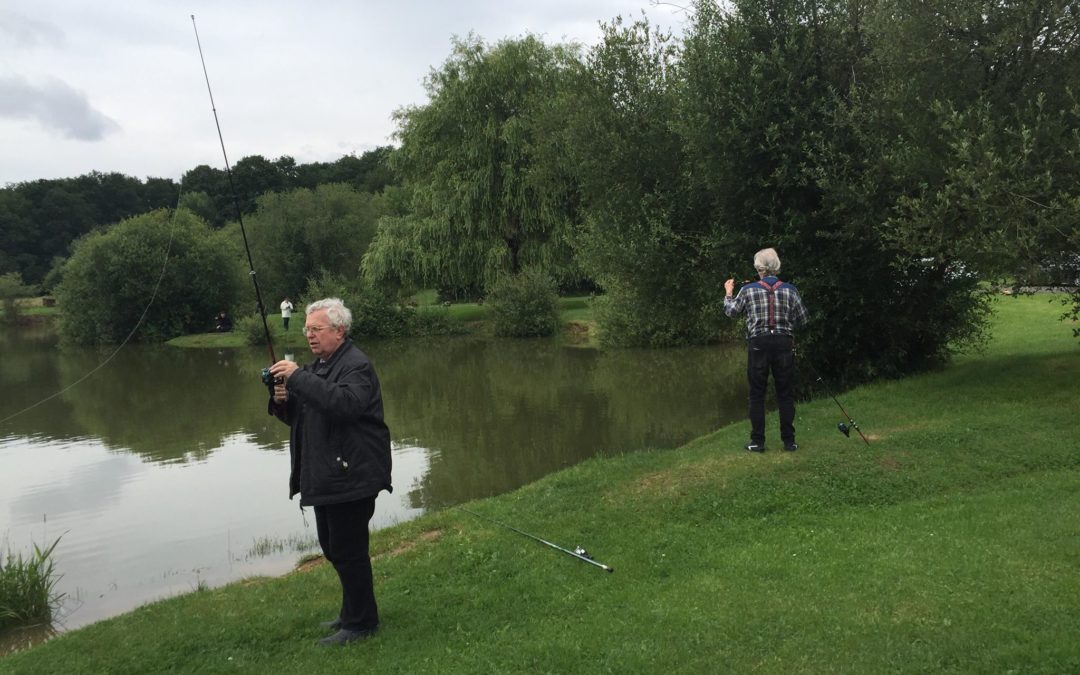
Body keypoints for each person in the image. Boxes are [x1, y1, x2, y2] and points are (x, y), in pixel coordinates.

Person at [267, 297, 393, 647]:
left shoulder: (356, 366)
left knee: (348, 549)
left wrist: (297, 378)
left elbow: (344, 405)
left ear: (339, 330)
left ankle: (362, 623)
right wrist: (282, 399)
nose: (309, 335)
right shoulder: (319, 367)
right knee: (333, 548)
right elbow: (303, 415)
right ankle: (352, 610)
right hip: (327, 474)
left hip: (353, 474)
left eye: (316, 329)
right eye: (307, 329)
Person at [724, 248, 808, 453]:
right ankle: (789, 442)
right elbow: (803, 319)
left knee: (756, 394)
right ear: (776, 266)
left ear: (760, 268)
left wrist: (728, 293)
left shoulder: (748, 290)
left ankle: (757, 442)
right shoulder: (791, 290)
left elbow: (732, 312)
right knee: (785, 393)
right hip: (783, 343)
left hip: (758, 344)